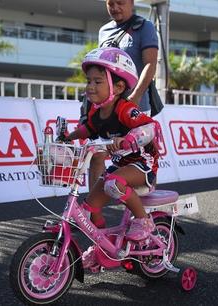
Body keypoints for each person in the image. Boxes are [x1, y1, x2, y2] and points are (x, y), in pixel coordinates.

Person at [63, 47, 162, 268]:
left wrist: (130, 138)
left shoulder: (125, 109)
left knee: (113, 183)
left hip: (143, 166)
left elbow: (150, 127)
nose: (90, 86)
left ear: (118, 86)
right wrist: (68, 137)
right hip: (121, 165)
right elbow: (87, 129)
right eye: (88, 81)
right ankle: (103, 249)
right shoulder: (96, 112)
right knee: (89, 208)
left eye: (97, 81)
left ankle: (143, 221)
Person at [85, 0, 159, 191]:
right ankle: (93, 212)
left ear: (132, 2)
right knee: (96, 155)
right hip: (106, 109)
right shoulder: (104, 31)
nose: (115, 7)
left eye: (121, 2)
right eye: (111, 3)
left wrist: (134, 97)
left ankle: (142, 215)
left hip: (135, 107)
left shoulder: (145, 27)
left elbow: (150, 64)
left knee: (135, 158)